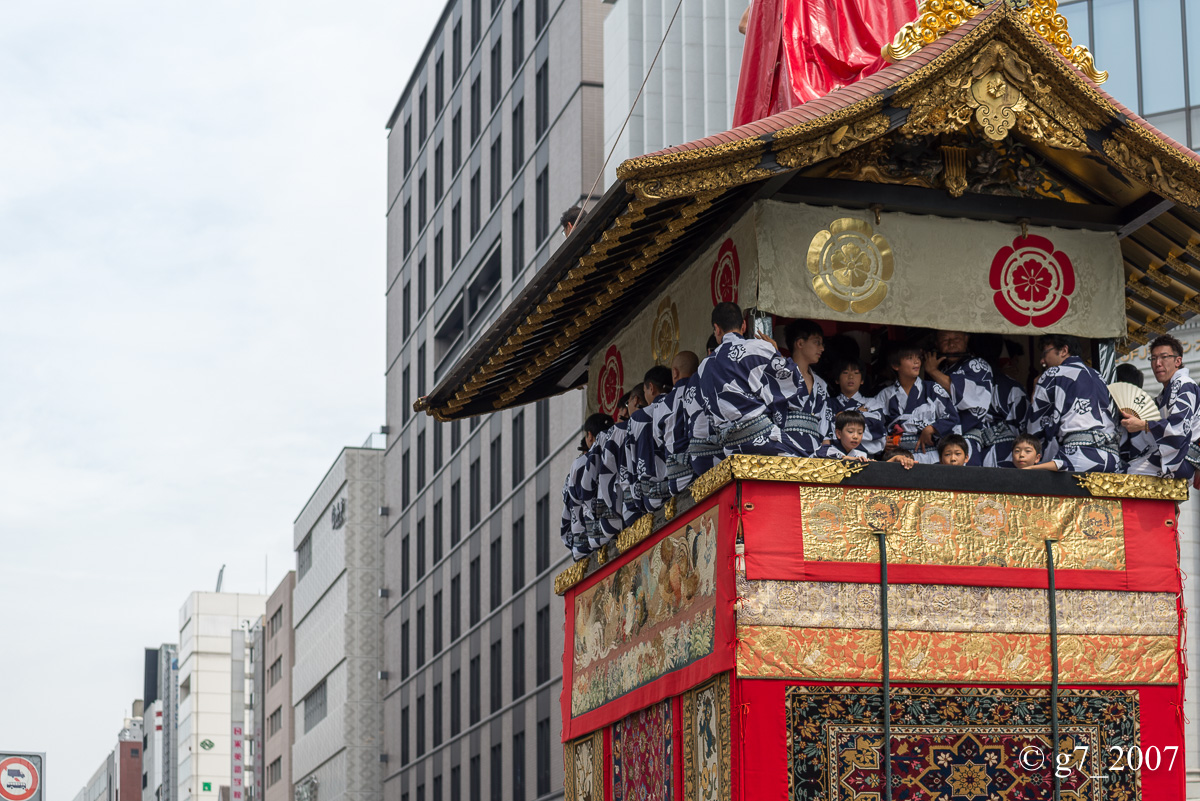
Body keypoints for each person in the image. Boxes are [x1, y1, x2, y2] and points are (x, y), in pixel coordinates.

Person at [695, 302, 798, 460]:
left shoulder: (704, 366)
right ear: (743, 325)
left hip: (730, 448)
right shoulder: (759, 348)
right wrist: (776, 353)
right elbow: (794, 383)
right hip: (764, 438)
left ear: (716, 329)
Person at [1025, 334, 1121, 473]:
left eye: (1045, 353)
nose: (1042, 360)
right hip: (1112, 456)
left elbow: (1036, 424)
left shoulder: (1054, 372)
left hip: (1078, 454)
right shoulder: (1098, 376)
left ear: (1064, 350)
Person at [1122, 334, 1200, 479]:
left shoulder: (1184, 384)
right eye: (1153, 358)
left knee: (1126, 474)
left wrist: (1144, 424)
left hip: (1181, 459)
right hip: (1172, 456)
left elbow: (1178, 430)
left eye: (1164, 357)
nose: (1157, 363)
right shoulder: (1164, 394)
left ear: (1178, 361)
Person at [876, 343, 961, 464]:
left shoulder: (932, 389)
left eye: (918, 358)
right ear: (896, 365)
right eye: (910, 358)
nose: (916, 362)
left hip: (930, 454)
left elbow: (952, 417)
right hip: (898, 457)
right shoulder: (885, 395)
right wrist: (881, 442)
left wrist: (932, 428)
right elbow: (873, 424)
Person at [923, 330, 994, 465]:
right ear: (937, 344)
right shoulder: (942, 367)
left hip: (966, 439)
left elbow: (967, 396)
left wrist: (933, 371)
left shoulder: (977, 364)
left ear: (966, 339)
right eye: (945, 340)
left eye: (956, 339)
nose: (951, 344)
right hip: (941, 442)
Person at [646, 351, 701, 500]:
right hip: (702, 469)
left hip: (676, 480)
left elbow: (659, 440)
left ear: (675, 372)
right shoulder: (702, 390)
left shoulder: (661, 405)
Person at [561, 413, 615, 559]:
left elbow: (571, 505)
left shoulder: (579, 465)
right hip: (618, 526)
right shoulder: (617, 447)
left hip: (587, 541)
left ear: (590, 436)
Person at [779, 319, 833, 456]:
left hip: (814, 453)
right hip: (784, 448)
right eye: (817, 342)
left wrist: (825, 453)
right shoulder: (780, 374)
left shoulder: (821, 384)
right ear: (800, 343)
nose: (822, 348)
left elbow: (825, 426)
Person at [626, 366, 674, 515]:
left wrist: (638, 500)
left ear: (651, 388)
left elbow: (631, 462)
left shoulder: (639, 418)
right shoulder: (678, 402)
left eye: (645, 390)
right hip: (682, 482)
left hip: (651, 497)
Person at [829, 359, 885, 455]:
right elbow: (826, 432)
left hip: (867, 457)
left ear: (862, 380)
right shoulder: (827, 404)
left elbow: (878, 431)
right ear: (837, 379)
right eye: (845, 372)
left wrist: (840, 417)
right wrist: (859, 414)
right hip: (835, 457)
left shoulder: (873, 403)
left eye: (856, 373)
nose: (851, 377)